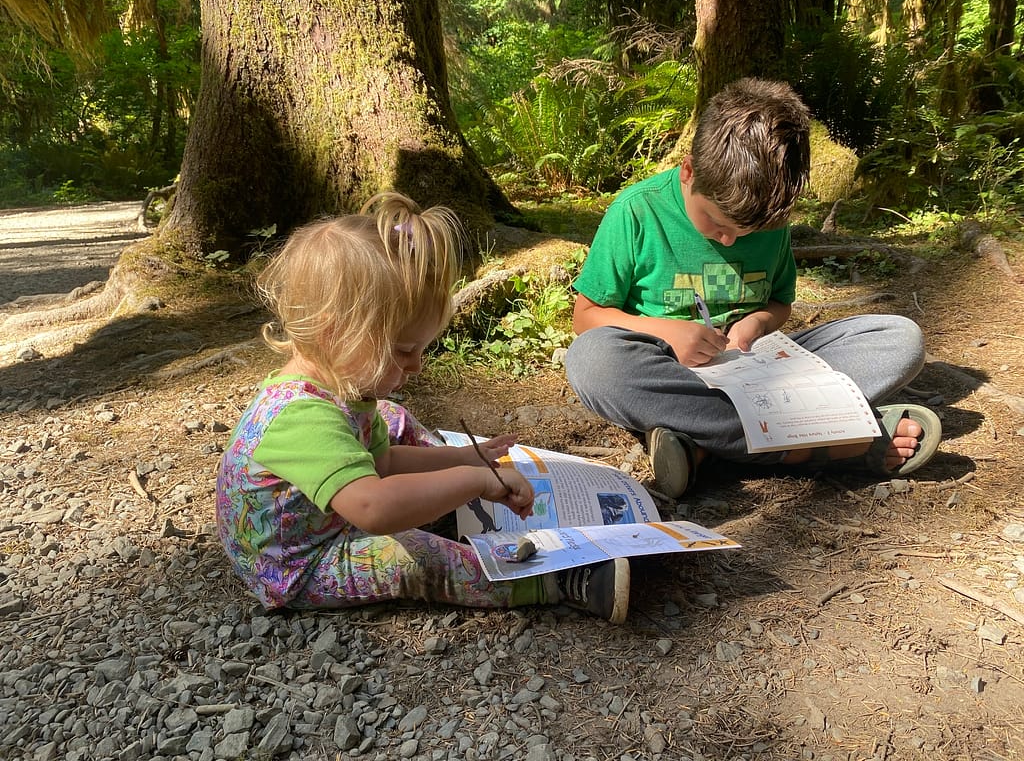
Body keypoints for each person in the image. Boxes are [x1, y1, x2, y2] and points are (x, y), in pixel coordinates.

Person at [215, 192, 629, 623]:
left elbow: (384, 461)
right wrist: (473, 481)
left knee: (394, 420)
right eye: (403, 349)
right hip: (298, 563)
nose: (416, 365)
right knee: (411, 555)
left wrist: (465, 457)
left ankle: (437, 500)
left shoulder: (347, 392)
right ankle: (552, 580)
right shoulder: (300, 417)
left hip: (335, 513)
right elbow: (375, 510)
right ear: (335, 334)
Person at [564, 78, 941, 499]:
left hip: (760, 372)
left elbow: (780, 304)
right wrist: (667, 332)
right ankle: (835, 444)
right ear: (688, 171)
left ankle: (703, 445)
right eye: (719, 224)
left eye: (748, 232)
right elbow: (587, 317)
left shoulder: (770, 219)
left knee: (898, 338)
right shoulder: (637, 210)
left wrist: (759, 322)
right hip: (670, 371)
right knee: (592, 361)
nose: (730, 241)